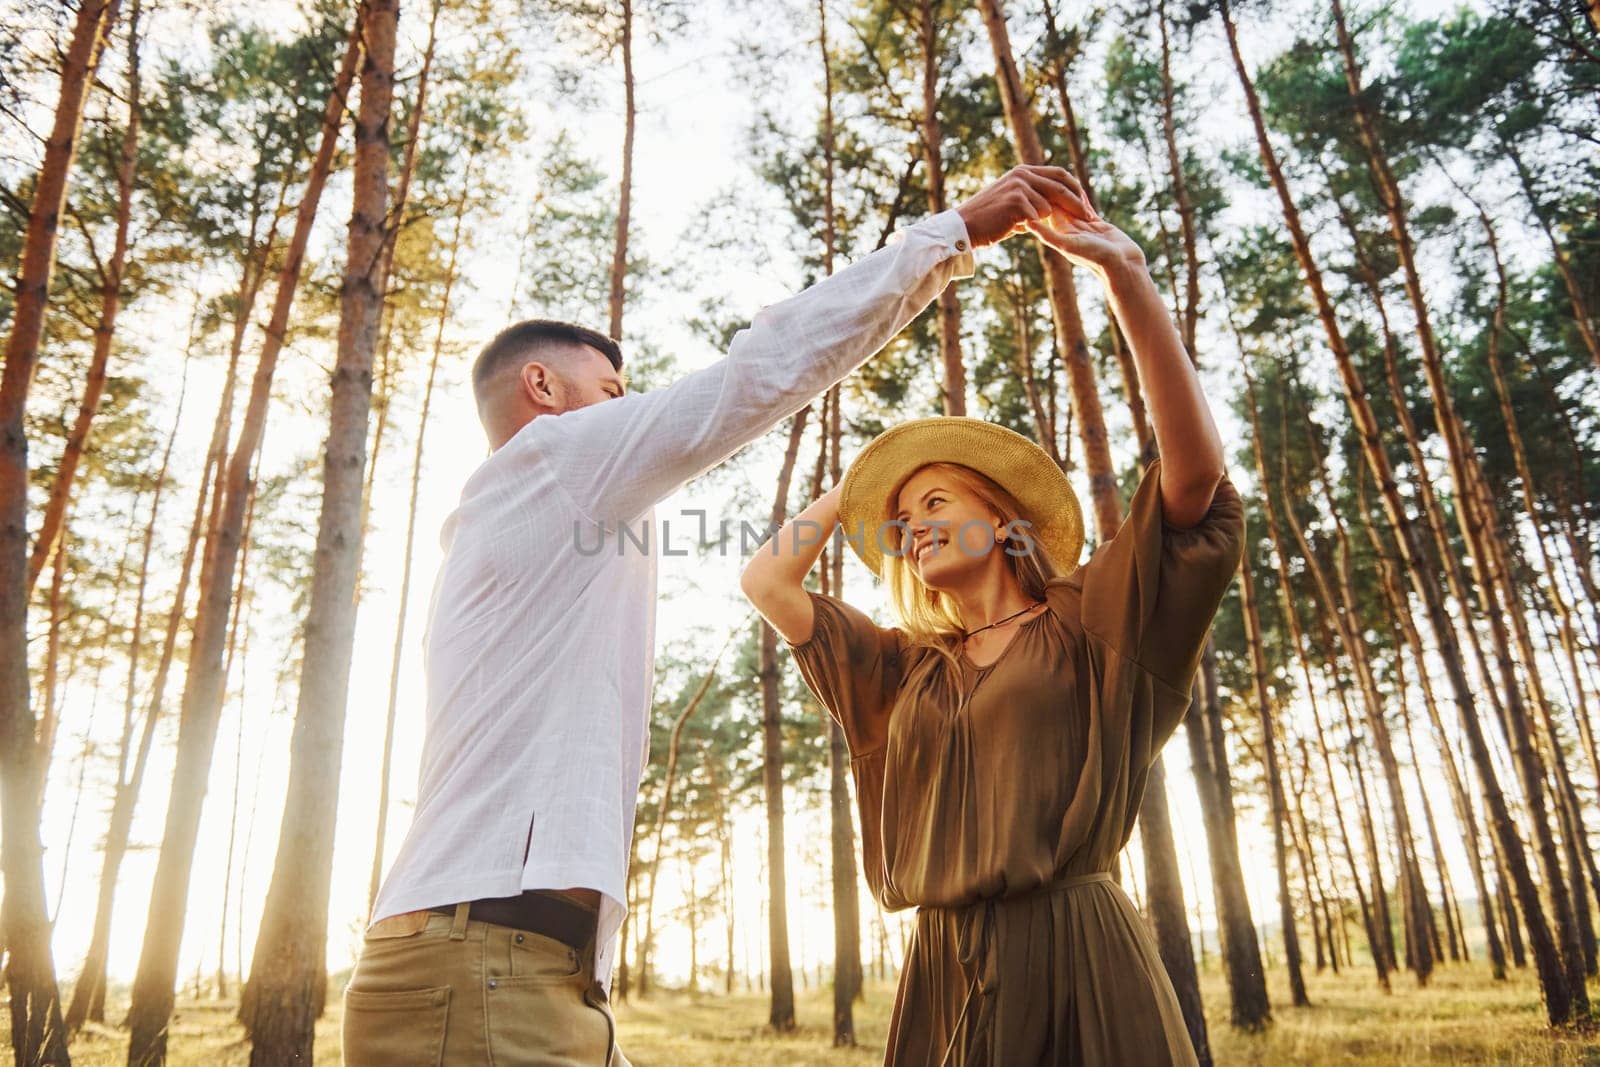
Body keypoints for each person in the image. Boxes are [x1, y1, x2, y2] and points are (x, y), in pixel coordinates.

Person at [341, 165, 1084, 1066]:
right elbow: (756, 373)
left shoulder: (523, 522)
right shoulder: (555, 460)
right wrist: (949, 235)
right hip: (487, 969)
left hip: (511, 964)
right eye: (616, 391)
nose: (630, 412)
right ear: (543, 387)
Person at [740, 194, 1246, 1064]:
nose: (914, 526)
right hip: (941, 971)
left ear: (1005, 521)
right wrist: (875, 476)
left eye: (937, 502)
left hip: (1080, 956)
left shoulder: (1090, 617)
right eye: (902, 522)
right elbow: (766, 577)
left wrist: (1124, 276)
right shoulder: (903, 671)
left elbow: (1193, 476)